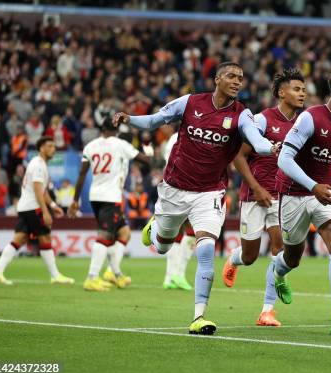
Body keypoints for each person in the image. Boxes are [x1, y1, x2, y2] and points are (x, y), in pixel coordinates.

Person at [112, 62, 279, 335]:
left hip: (210, 192)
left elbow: (256, 141)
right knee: (163, 246)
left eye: (240, 78)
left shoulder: (242, 115)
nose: (237, 81)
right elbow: (155, 120)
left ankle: (199, 316)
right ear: (217, 79)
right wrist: (129, 119)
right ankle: (156, 230)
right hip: (174, 189)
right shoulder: (190, 102)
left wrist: (270, 147)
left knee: (204, 249)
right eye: (231, 76)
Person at [275, 69, 331, 337]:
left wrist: (320, 187)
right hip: (294, 194)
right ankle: (279, 275)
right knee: (292, 257)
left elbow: (326, 161)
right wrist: (312, 185)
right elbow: (284, 160)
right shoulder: (309, 118)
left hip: (324, 192)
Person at [222, 68, 306, 327]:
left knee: (279, 248)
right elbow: (238, 156)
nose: (302, 94)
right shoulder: (262, 120)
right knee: (250, 256)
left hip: (284, 196)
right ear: (282, 92)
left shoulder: (304, 124)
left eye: (304, 90)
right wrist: (256, 187)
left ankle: (267, 311)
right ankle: (234, 259)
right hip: (255, 195)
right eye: (296, 89)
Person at [68, 120, 151, 291]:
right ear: (116, 130)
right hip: (110, 197)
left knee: (124, 233)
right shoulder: (121, 144)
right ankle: (91, 277)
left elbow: (82, 174)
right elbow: (145, 160)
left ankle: (115, 273)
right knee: (105, 237)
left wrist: (75, 200)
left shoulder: (90, 146)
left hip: (95, 195)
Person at [0, 136, 75, 285]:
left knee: (19, 239)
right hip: (33, 207)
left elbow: (43, 190)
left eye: (54, 146)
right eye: (49, 146)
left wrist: (53, 206)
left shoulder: (39, 164)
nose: (53, 149)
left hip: (25, 206)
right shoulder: (38, 165)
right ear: (41, 148)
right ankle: (55, 275)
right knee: (45, 238)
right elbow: (37, 190)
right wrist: (45, 211)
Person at [161, 131, 195, 291]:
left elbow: (166, 160)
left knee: (175, 232)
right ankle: (179, 275)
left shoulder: (172, 137)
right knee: (192, 230)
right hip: (187, 187)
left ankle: (170, 277)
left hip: (170, 187)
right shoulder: (192, 136)